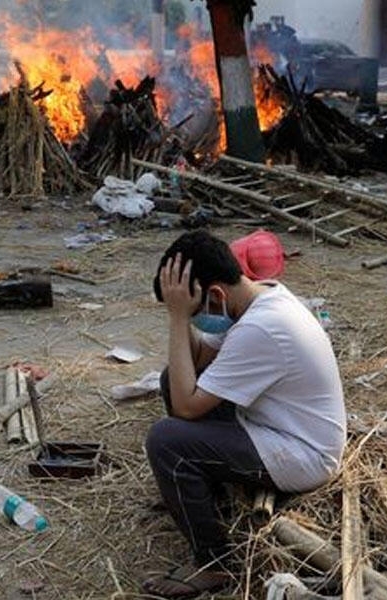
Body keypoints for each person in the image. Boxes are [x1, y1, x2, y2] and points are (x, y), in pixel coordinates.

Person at [142, 230, 346, 599]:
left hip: (304, 453)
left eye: (196, 309)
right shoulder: (258, 297)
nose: (194, 318)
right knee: (174, 377)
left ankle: (214, 563)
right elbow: (200, 360)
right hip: (276, 428)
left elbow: (187, 407)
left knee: (165, 441)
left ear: (216, 295)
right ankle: (199, 492)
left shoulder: (261, 327)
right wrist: (183, 313)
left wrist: (176, 319)